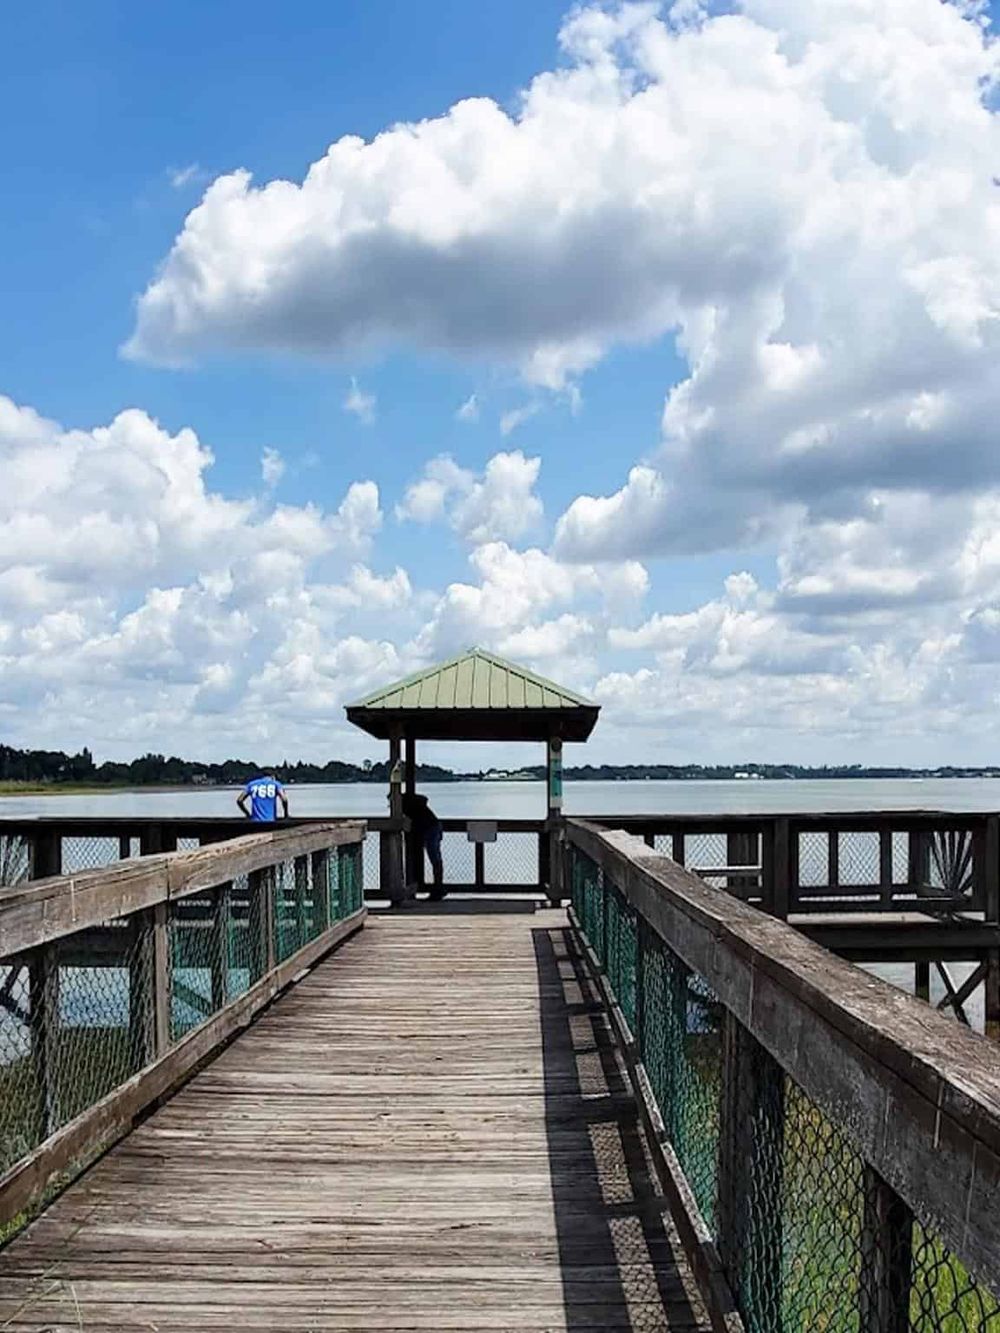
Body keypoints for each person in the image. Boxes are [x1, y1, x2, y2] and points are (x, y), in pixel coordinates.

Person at [402, 791, 445, 900]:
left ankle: (438, 888)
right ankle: (437, 887)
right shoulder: (414, 805)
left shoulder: (406, 805)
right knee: (435, 858)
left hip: (430, 829)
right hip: (432, 827)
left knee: (434, 858)